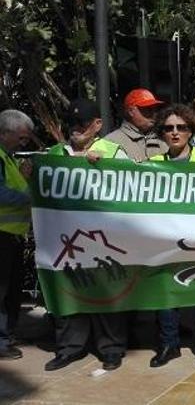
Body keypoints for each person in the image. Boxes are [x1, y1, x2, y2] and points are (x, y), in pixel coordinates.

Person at [43, 100, 129, 372]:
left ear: (97, 125)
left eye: (82, 124)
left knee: (106, 293)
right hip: (65, 240)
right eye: (72, 124)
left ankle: (111, 348)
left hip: (105, 237)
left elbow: (131, 188)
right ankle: (70, 348)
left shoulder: (114, 152)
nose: (76, 129)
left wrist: (104, 167)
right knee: (70, 293)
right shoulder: (55, 153)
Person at [148, 104, 195, 368]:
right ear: (162, 133)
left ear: (191, 130)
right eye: (168, 128)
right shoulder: (154, 164)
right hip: (166, 240)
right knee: (166, 294)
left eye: (181, 127)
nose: (175, 133)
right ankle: (169, 344)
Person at [0, 109, 33, 361]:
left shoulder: (8, 158)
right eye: (21, 138)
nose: (25, 143)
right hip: (2, 236)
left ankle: (7, 336)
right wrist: (30, 196)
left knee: (11, 291)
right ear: (4, 134)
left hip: (12, 236)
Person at [105, 88, 167, 161]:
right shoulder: (111, 141)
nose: (153, 114)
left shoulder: (166, 139)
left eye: (155, 109)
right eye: (147, 109)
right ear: (131, 111)